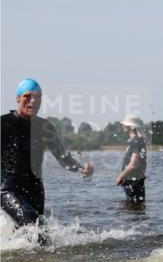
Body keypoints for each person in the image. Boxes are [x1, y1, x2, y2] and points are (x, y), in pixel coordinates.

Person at [1, 78, 94, 237]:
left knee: (33, 236)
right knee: (38, 232)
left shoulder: (45, 127)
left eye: (38, 97)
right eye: (28, 96)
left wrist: (81, 168)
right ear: (18, 98)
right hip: (8, 189)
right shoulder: (4, 124)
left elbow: (63, 157)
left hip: (35, 191)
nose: (33, 101)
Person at [115, 114, 147, 207]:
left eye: (125, 124)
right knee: (137, 209)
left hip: (133, 182)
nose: (123, 126)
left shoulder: (135, 141)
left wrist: (120, 177)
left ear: (131, 126)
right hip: (136, 181)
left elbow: (133, 164)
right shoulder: (139, 140)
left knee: (132, 209)